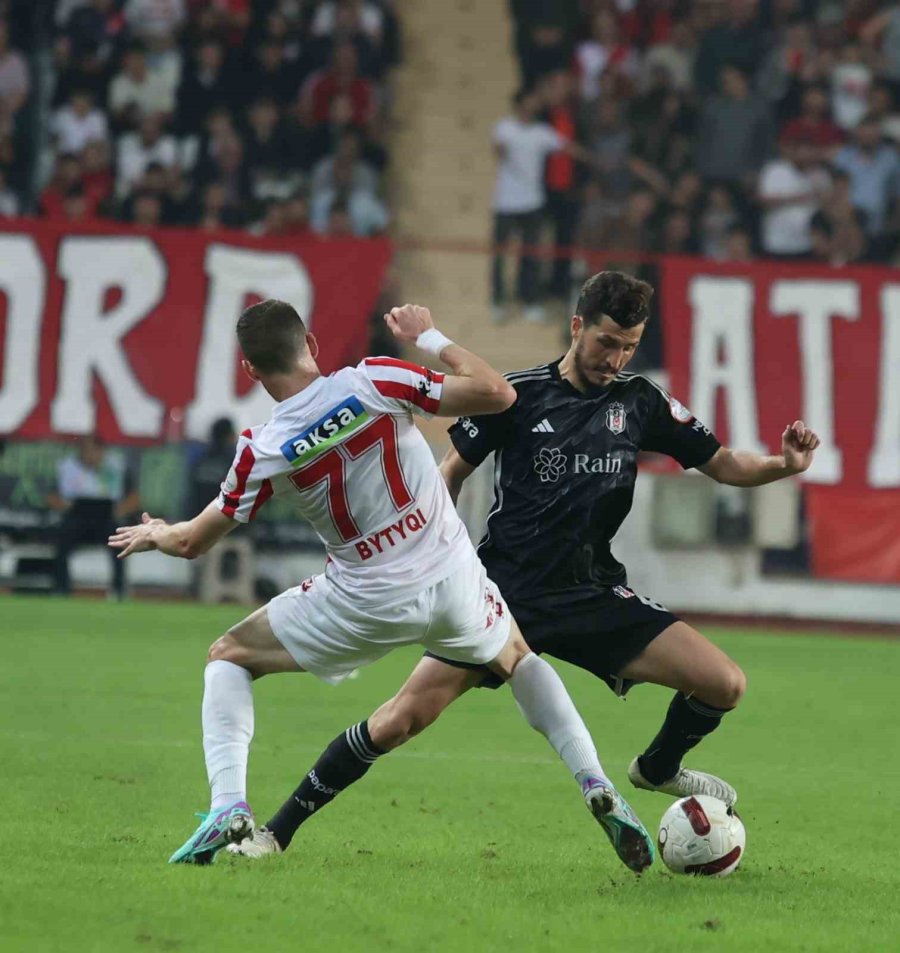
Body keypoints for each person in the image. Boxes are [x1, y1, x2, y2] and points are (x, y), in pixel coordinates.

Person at [239, 272, 821, 860]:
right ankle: (276, 833)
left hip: (592, 592)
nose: (614, 358)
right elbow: (445, 476)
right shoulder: (518, 397)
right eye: (605, 343)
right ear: (577, 327)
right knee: (399, 721)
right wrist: (425, 555)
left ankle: (656, 768)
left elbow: (722, 464)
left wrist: (785, 463)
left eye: (628, 346)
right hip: (502, 590)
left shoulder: (641, 402)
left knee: (725, 684)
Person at [109, 299, 655, 871]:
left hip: (363, 600)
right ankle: (593, 779)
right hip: (449, 576)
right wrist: (431, 336)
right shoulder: (375, 378)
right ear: (312, 345)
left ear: (249, 370)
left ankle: (227, 804)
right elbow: (498, 394)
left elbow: (194, 542)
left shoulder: (262, 450)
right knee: (517, 658)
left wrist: (158, 533)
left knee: (229, 656)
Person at [50, 434, 138, 600]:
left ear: (102, 451)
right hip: (76, 520)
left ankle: (118, 590)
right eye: (85, 451)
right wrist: (66, 505)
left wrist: (118, 510)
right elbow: (52, 497)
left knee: (119, 539)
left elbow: (134, 499)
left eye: (94, 450)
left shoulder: (115, 468)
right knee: (61, 537)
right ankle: (62, 588)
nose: (90, 455)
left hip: (105, 520)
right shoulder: (68, 468)